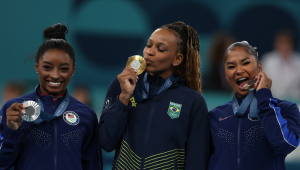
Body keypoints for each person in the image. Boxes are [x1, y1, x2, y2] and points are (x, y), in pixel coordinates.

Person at [98, 21, 209, 169]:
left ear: (177, 59)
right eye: (149, 45)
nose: (149, 52)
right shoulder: (121, 86)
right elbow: (106, 142)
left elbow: (197, 163)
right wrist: (124, 98)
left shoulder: (192, 102)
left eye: (161, 49)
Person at [0, 24, 101, 170]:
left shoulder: (86, 114)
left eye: (64, 69)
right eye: (47, 67)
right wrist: (11, 131)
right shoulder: (13, 110)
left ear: (73, 69)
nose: (55, 75)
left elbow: (92, 165)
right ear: (36, 67)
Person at [209, 41, 300, 170]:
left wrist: (264, 97)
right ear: (226, 73)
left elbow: (284, 144)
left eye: (246, 63)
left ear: (259, 68)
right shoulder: (214, 116)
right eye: (231, 66)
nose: (239, 70)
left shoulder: (286, 109)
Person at [261, 30, 300, 103]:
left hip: (296, 103)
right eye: (281, 43)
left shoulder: (298, 61)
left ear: (292, 44)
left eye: (287, 43)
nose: (284, 46)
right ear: (276, 44)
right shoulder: (268, 60)